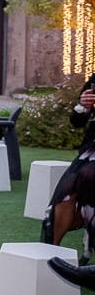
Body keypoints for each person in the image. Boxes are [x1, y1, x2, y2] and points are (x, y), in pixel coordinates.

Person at [41, 74, 95, 269]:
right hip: (91, 149)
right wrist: (83, 106)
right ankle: (50, 254)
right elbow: (77, 122)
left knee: (89, 176)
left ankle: (89, 243)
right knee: (67, 190)